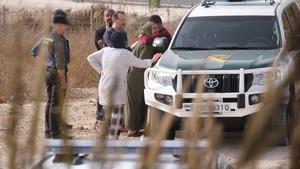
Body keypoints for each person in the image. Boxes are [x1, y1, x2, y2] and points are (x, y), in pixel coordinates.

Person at [87, 32, 162, 139]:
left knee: (109, 117)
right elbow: (140, 63)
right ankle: (113, 141)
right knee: (116, 117)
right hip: (117, 90)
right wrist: (153, 60)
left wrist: (100, 70)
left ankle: (108, 141)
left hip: (104, 87)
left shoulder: (105, 50)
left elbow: (90, 58)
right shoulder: (124, 54)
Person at [31, 9, 72, 139]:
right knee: (56, 104)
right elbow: (60, 64)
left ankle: (49, 132)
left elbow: (34, 52)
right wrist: (64, 81)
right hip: (56, 73)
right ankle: (56, 134)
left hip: (47, 71)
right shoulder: (58, 40)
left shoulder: (48, 36)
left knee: (50, 102)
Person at [125, 22, 160, 137]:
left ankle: (134, 128)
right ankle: (132, 130)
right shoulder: (147, 44)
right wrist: (154, 59)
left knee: (134, 103)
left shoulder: (144, 40)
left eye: (156, 28)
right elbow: (143, 62)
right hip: (137, 77)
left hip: (134, 75)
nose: (156, 30)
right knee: (136, 103)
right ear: (148, 30)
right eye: (153, 28)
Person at [93, 8, 115, 129]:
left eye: (111, 15)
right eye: (107, 15)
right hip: (103, 67)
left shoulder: (118, 31)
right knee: (101, 93)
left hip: (115, 67)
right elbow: (100, 47)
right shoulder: (100, 31)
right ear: (104, 17)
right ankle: (99, 119)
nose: (109, 17)